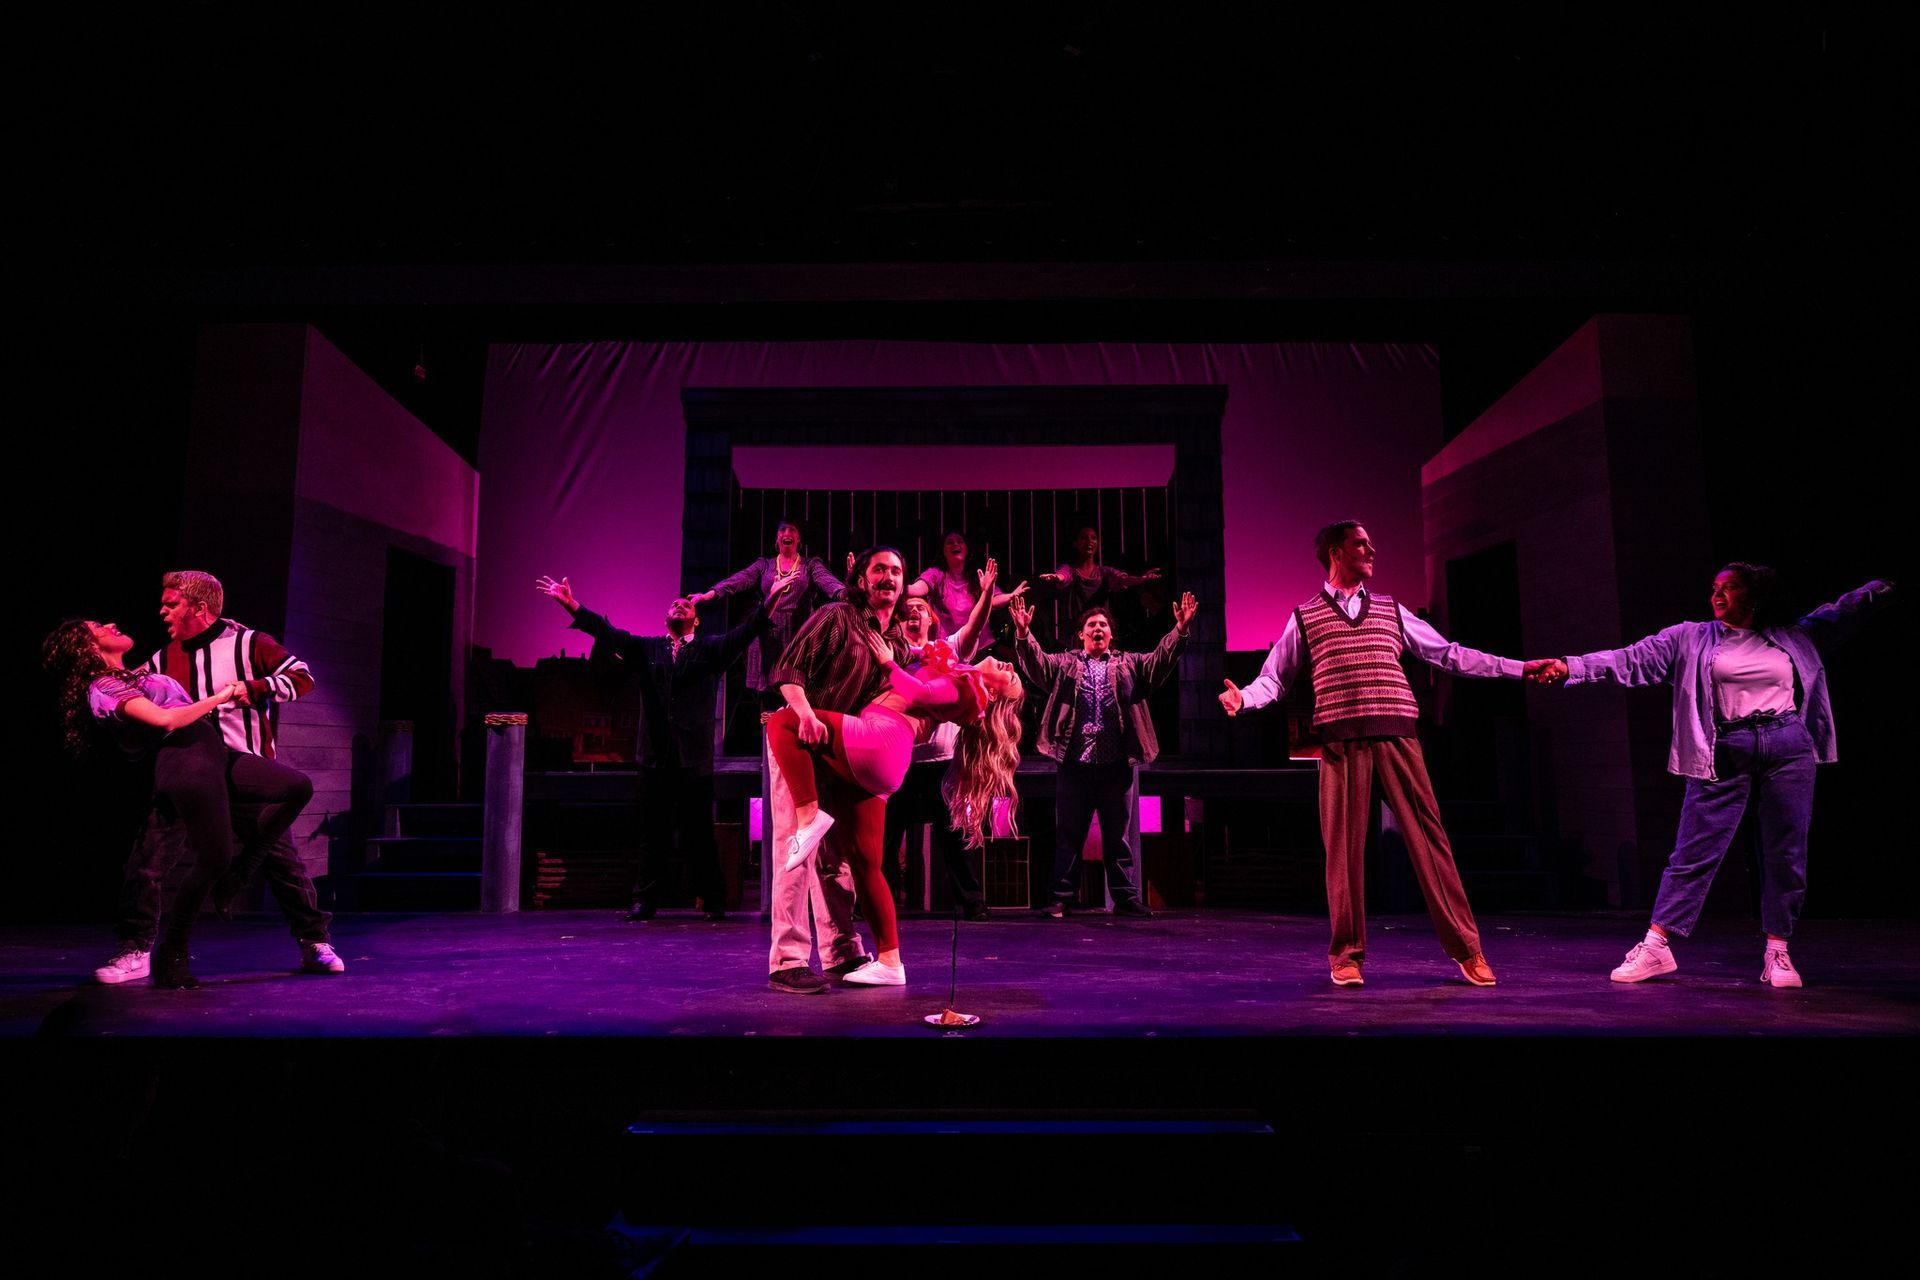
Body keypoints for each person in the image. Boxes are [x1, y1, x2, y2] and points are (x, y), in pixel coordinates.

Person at [1527, 566, 1894, 988]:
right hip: (1724, 747)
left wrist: (1884, 587)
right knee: (1694, 849)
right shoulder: (1690, 637)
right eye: (1714, 589)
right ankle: (1656, 946)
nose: (1717, 595)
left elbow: (1841, 611)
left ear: (1754, 595)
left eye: (1730, 587)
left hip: (1788, 743)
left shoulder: (1794, 636)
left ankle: (1778, 952)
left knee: (1785, 849)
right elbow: (1631, 659)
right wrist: (1571, 666)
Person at [1219, 521, 1520, 987]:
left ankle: (1468, 949)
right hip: (1340, 742)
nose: (1371, 549)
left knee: (1430, 841)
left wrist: (1516, 669)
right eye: (1361, 543)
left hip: (1397, 734)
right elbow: (1274, 678)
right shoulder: (1306, 616)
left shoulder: (1390, 610)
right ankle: (1346, 955)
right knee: (1343, 850)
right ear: (1337, 552)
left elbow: (1449, 655)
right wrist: (1246, 699)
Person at [44, 617, 311, 989]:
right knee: (188, 857)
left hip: (212, 750)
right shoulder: (102, 688)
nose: (111, 623)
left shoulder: (137, 673)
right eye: (98, 627)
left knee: (297, 787)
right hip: (184, 756)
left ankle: (242, 872)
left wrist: (223, 628)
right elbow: (166, 718)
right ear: (88, 647)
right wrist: (220, 697)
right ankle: (160, 951)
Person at [101, 570, 340, 980]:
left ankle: (313, 940)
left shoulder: (248, 642)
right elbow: (128, 695)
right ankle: (135, 949)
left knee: (282, 861)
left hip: (241, 768)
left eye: (171, 603)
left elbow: (302, 677)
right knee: (148, 860)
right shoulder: (161, 659)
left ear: (200, 608)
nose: (162, 610)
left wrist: (257, 688)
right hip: (188, 770)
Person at [764, 611, 1024, 986]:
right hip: (887, 760)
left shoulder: (969, 690)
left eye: (1010, 676)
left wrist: (887, 661)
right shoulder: (960, 676)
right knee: (866, 864)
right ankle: (890, 960)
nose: (1008, 664)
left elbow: (918, 692)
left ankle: (808, 817)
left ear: (995, 692)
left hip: (878, 739)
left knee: (784, 722)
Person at [535, 572, 793, 921]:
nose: (679, 605)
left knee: (699, 835)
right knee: (651, 836)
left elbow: (746, 632)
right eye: (674, 604)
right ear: (665, 620)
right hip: (654, 758)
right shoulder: (647, 649)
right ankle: (645, 900)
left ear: (696, 620)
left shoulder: (709, 650)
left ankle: (712, 898)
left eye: (686, 605)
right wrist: (572, 606)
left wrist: (772, 598)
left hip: (693, 760)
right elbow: (607, 633)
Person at [760, 547, 914, 993]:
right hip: (798, 736)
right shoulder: (838, 615)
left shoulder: (896, 644)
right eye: (879, 569)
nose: (888, 577)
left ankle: (841, 950)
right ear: (862, 578)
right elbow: (787, 668)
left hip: (840, 748)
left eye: (896, 571)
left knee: (838, 859)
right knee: (798, 846)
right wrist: (805, 713)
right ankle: (787, 959)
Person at [1010, 588, 1196, 919]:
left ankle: (1125, 897)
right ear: (1081, 634)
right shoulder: (1066, 664)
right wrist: (1024, 634)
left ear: (1111, 634)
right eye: (1092, 625)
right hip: (1075, 764)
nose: (1098, 629)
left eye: (1103, 625)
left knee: (1118, 835)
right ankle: (1060, 897)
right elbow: (1037, 666)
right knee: (1068, 833)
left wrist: (1179, 631)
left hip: (1116, 764)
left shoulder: (1129, 664)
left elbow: (1160, 661)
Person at [881, 571, 1004, 921]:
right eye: (909, 608)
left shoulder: (947, 649)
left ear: (931, 618)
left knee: (953, 836)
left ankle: (972, 901)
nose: (914, 612)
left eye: (921, 606)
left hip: (941, 762)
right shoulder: (890, 651)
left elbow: (975, 626)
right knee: (887, 838)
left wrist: (985, 594)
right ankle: (879, 904)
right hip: (899, 761)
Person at [688, 519, 846, 707]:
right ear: (777, 539)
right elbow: (740, 579)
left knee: (797, 696)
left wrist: (847, 594)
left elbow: (828, 581)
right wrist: (711, 594)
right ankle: (768, 735)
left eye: (792, 530)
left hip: (798, 635)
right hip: (767, 635)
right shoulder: (765, 565)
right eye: (782, 530)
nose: (787, 533)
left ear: (799, 539)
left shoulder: (809, 565)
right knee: (769, 703)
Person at [905, 530, 1027, 647]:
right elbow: (918, 589)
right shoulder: (936, 574)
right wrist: (898, 587)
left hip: (978, 645)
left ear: (967, 549)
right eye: (950, 542)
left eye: (959, 541)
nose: (955, 544)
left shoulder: (976, 576)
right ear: (944, 551)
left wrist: (1011, 595)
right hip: (946, 645)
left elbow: (994, 599)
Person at [1037, 526, 1161, 629]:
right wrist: (1057, 577)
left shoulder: (1105, 572)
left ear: (1097, 544)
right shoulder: (1070, 569)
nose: (1089, 541)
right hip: (1076, 633)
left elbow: (1123, 579)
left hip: (1099, 629)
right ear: (1075, 543)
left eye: (1093, 538)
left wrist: (1142, 578)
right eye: (1084, 538)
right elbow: (1064, 575)